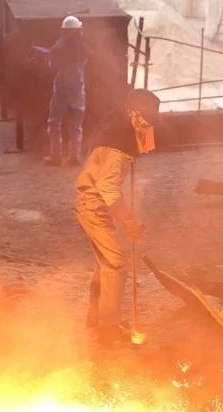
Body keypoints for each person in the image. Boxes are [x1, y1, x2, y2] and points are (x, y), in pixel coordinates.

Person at [75, 88, 161, 346]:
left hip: (92, 204)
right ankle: (108, 329)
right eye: (145, 119)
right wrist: (128, 222)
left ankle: (96, 316)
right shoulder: (117, 145)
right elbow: (108, 187)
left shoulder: (117, 123)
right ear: (134, 115)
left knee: (105, 262)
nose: (148, 124)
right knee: (116, 264)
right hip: (93, 206)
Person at [44, 15, 88, 167]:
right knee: (76, 126)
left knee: (55, 122)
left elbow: (51, 66)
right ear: (78, 31)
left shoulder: (57, 48)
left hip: (61, 90)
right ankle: (74, 157)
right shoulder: (83, 48)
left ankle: (56, 157)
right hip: (78, 90)